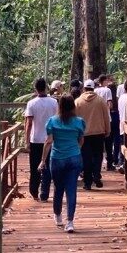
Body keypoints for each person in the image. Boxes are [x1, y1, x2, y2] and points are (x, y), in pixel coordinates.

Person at [38, 95, 85, 233]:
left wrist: (42, 161)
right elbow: (81, 140)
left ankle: (58, 215)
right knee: (71, 189)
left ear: (60, 106)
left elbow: (48, 142)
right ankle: (70, 222)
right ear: (73, 106)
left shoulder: (52, 121)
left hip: (57, 158)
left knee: (58, 188)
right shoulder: (79, 122)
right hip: (74, 158)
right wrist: (76, 149)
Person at [24, 78, 58, 201]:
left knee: (34, 166)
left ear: (35, 88)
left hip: (35, 139)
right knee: (48, 165)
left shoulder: (31, 103)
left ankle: (34, 191)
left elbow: (28, 123)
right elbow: (57, 119)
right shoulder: (54, 102)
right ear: (46, 88)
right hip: (50, 139)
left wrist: (27, 141)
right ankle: (44, 192)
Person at [74, 79, 110, 190]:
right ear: (93, 88)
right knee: (98, 156)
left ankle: (87, 182)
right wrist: (107, 130)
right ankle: (96, 176)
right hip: (98, 132)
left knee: (86, 157)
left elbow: (74, 119)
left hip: (83, 134)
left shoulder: (77, 102)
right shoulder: (100, 101)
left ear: (84, 88)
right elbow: (106, 117)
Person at [96, 74, 119, 171]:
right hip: (107, 119)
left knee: (98, 143)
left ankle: (97, 165)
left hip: (97, 119)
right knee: (108, 142)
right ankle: (109, 164)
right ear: (104, 81)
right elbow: (110, 104)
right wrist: (108, 110)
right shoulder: (107, 90)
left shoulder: (95, 91)